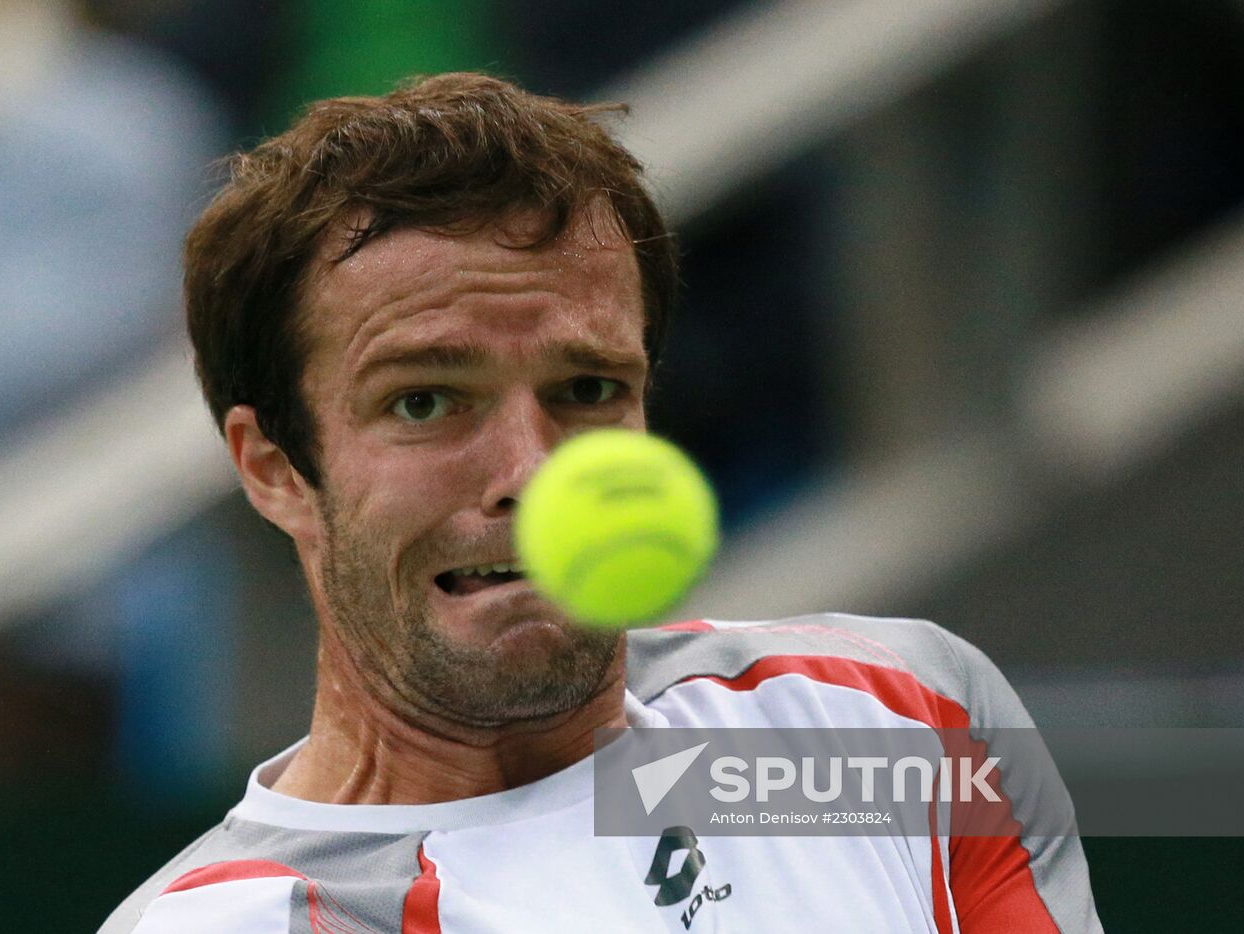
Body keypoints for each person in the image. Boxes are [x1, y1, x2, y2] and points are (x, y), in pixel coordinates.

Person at [101, 73, 1101, 933]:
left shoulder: (895, 722)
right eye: (424, 400)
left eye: (585, 390)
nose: (532, 471)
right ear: (275, 469)